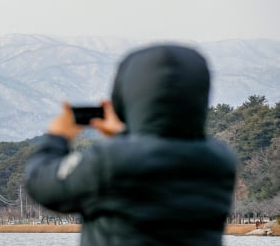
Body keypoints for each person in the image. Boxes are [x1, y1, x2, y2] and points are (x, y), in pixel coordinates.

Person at [24, 45, 236, 246]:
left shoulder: (108, 161)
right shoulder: (221, 159)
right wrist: (125, 134)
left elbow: (41, 184)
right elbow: (154, 161)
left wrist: (57, 136)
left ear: (126, 95)